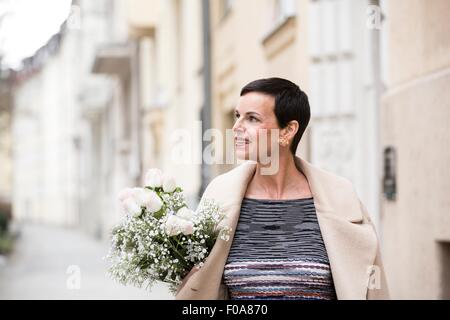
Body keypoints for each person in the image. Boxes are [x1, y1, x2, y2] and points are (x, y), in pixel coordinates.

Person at [175, 77, 389, 300]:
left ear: (287, 131)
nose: (236, 127)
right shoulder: (219, 198)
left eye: (252, 119)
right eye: (238, 116)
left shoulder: (342, 200)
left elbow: (374, 290)